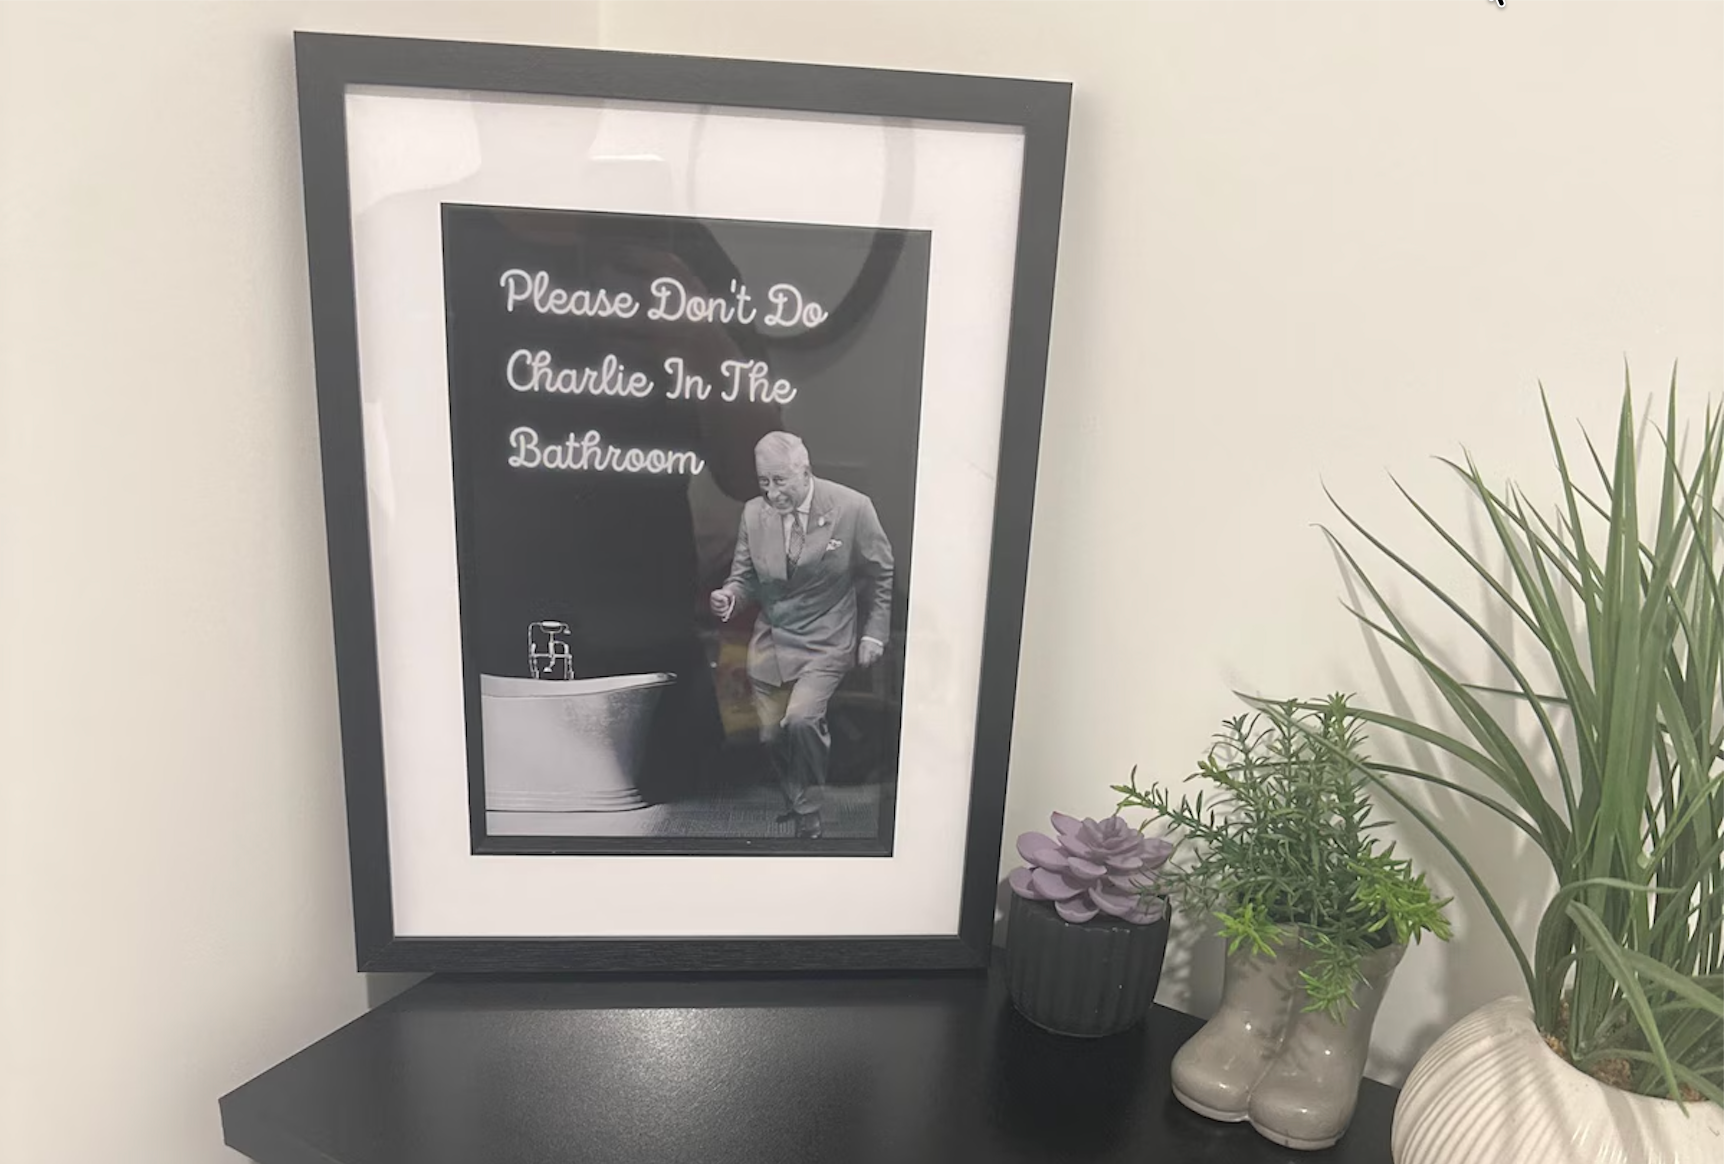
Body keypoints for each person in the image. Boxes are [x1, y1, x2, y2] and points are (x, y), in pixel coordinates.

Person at [710, 432, 893, 838]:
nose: (772, 492)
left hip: (827, 638)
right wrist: (729, 597)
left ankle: (809, 813)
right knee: (770, 735)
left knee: (801, 719)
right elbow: (744, 579)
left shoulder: (852, 507)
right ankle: (797, 803)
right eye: (764, 482)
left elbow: (881, 573)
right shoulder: (753, 514)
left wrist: (874, 634)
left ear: (805, 472)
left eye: (780, 480)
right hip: (772, 642)